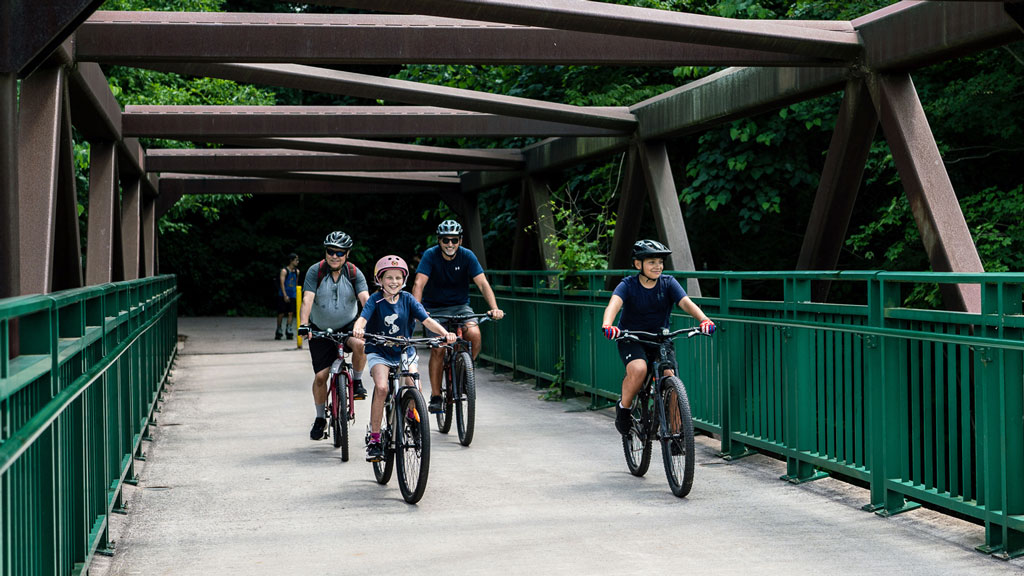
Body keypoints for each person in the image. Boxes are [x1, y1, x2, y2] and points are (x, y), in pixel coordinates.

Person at [600, 239, 715, 435]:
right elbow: (614, 304)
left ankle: (678, 435)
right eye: (652, 262)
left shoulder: (668, 283)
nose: (658, 266)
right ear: (638, 264)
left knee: (670, 379)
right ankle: (624, 409)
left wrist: (704, 319)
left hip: (660, 339)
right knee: (639, 369)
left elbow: (686, 303)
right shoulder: (628, 284)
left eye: (660, 262)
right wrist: (608, 325)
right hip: (631, 338)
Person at [352, 255, 456, 462]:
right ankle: (374, 439)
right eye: (388, 277)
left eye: (398, 277)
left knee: (413, 385)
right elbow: (363, 317)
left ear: (404, 279)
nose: (394, 282)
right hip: (379, 352)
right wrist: (358, 327)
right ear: (379, 280)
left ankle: (411, 416)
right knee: (382, 388)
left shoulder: (408, 299)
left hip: (403, 351)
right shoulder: (375, 300)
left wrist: (445, 334)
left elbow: (426, 320)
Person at [410, 219, 504, 414]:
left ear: (460, 241)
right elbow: (419, 284)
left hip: (461, 307)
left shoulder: (467, 256)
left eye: (454, 240)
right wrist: (417, 310)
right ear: (439, 241)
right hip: (434, 309)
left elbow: (483, 284)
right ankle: (436, 396)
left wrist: (494, 308)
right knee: (438, 348)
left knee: (475, 335)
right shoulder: (430, 256)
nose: (450, 244)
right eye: (446, 240)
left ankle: (465, 371)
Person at [297, 231, 370, 441]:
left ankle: (356, 382)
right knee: (321, 377)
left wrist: (368, 323)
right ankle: (320, 418)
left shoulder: (354, 273)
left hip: (348, 326)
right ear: (326, 252)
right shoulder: (315, 271)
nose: (335, 256)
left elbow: (365, 299)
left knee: (361, 345)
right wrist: (304, 325)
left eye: (339, 252)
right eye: (331, 251)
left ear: (347, 254)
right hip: (320, 328)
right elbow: (307, 300)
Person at [276, 253, 300, 340]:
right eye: (296, 260)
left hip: (292, 294)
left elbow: (296, 283)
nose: (297, 262)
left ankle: (288, 328)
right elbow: (282, 283)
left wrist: (296, 294)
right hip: (283, 294)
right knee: (281, 313)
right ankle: (279, 328)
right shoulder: (284, 271)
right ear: (291, 260)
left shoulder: (297, 272)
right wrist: (285, 295)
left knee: (291, 313)